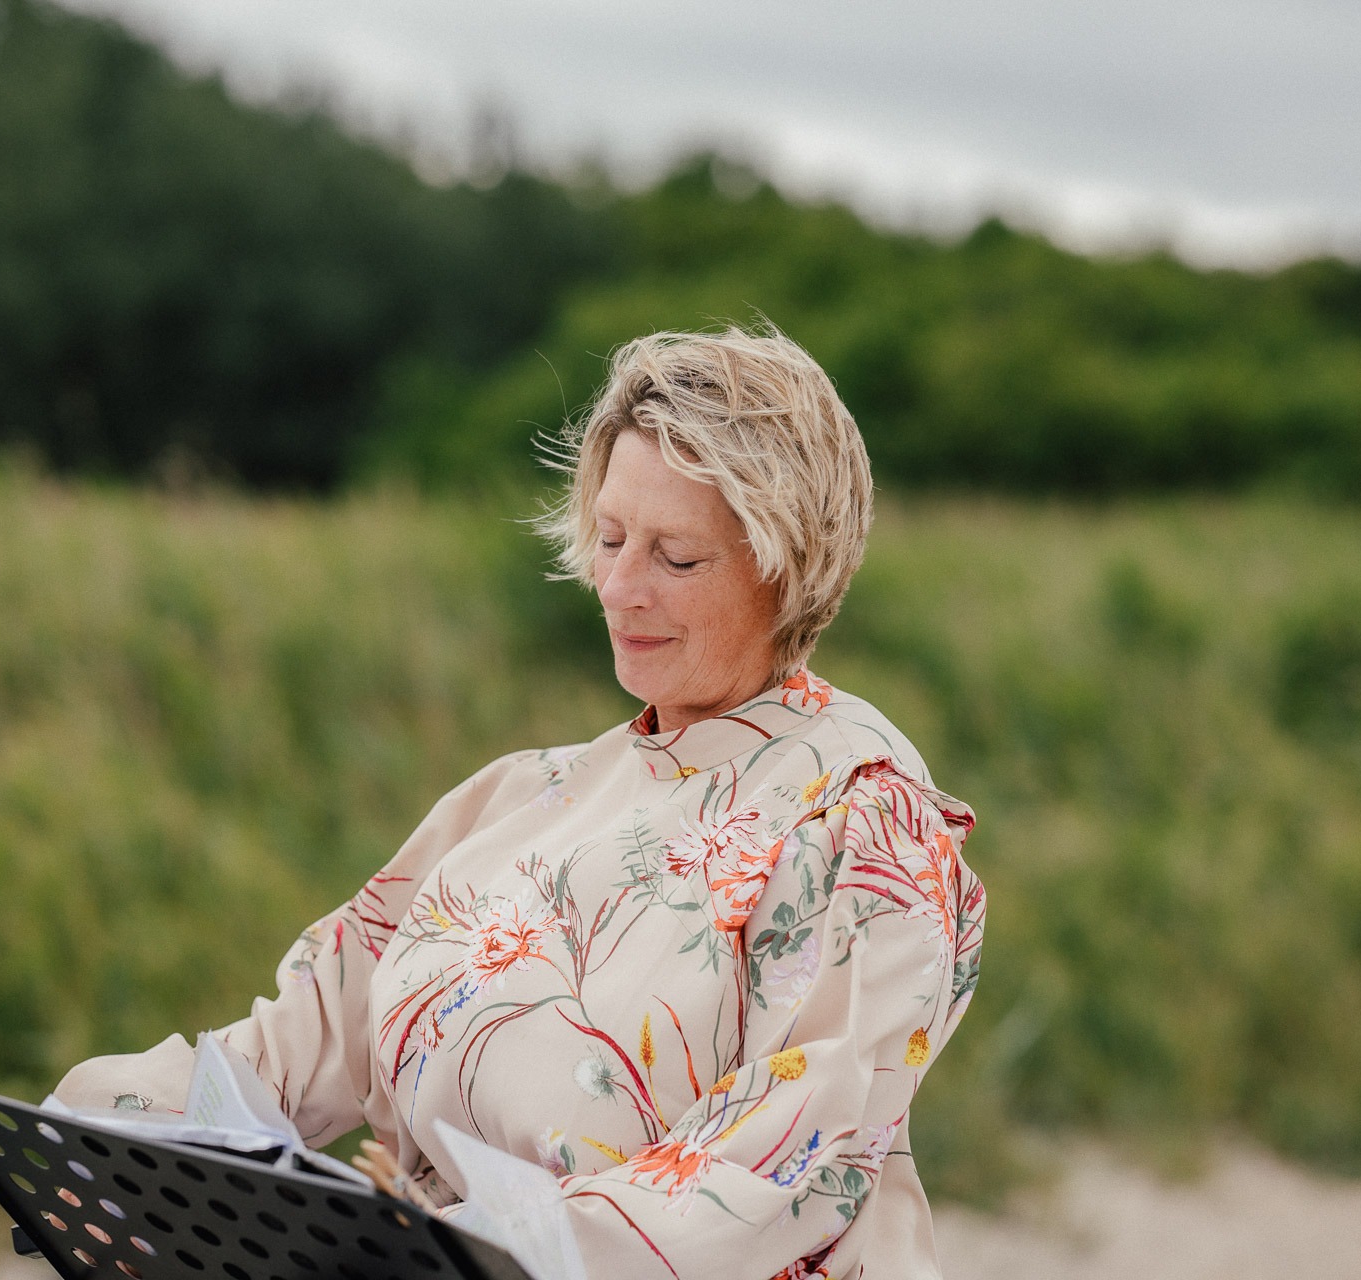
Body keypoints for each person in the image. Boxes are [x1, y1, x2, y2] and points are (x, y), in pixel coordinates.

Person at [54, 326, 986, 1279]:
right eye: (610, 539)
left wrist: (461, 1248)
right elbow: (310, 1035)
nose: (618, 587)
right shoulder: (522, 796)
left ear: (791, 565)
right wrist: (109, 1138)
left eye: (676, 557)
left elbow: (787, 1165)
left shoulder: (864, 818)